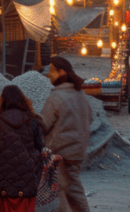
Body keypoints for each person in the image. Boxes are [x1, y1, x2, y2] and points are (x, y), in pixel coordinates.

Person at [0, 85, 45, 212]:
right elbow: (40, 146)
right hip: (27, 175)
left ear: (3, 100)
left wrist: (1, 156)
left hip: (2, 177)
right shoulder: (33, 120)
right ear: (22, 99)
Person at [41, 57, 93, 212]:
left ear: (61, 71)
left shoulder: (57, 97)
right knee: (62, 190)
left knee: (71, 190)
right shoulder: (80, 94)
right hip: (77, 150)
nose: (49, 75)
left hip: (61, 152)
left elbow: (44, 124)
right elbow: (90, 118)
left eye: (51, 71)